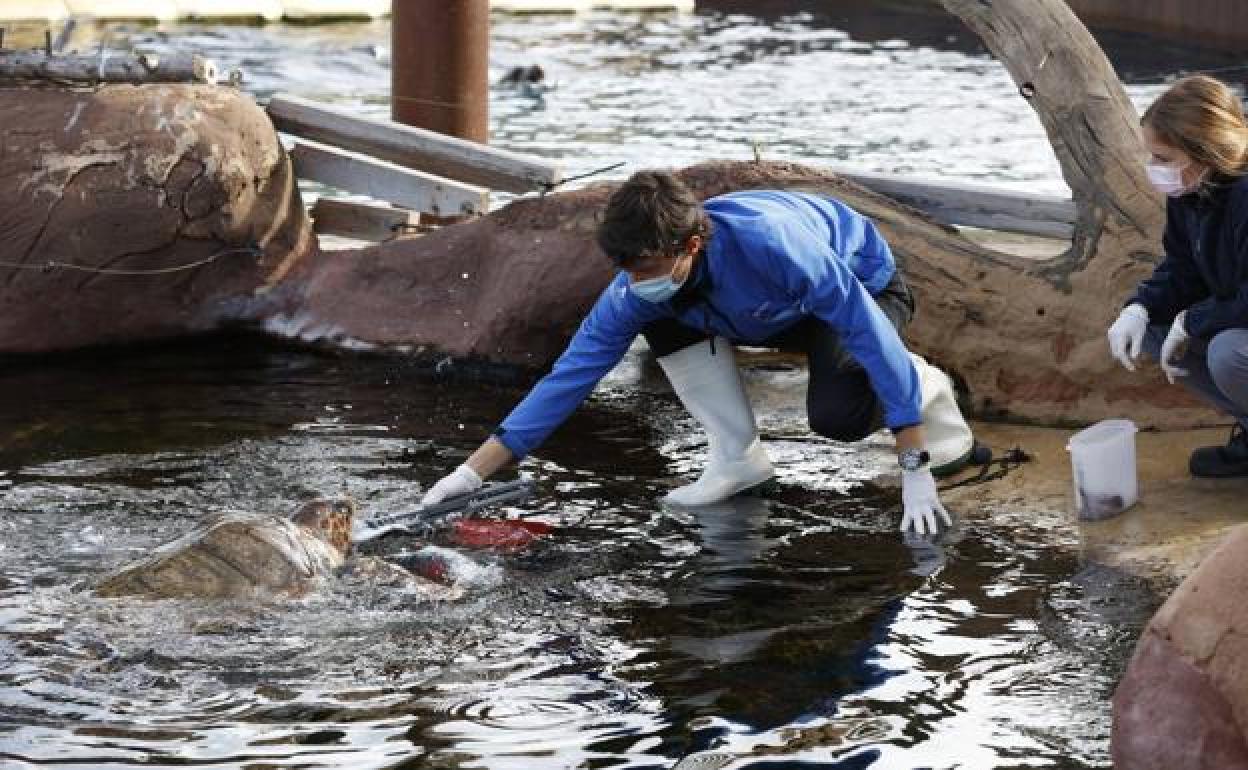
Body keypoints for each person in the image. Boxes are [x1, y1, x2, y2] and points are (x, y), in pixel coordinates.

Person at [422, 170, 976, 535]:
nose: (633, 283)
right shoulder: (635, 288)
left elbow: (865, 331)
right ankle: (737, 459)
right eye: (625, 271)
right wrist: (470, 475)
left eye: (644, 270)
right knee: (661, 320)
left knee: (838, 418)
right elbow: (569, 378)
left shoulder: (774, 245)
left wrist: (913, 465)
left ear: (690, 245)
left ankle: (924, 388)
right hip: (758, 310)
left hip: (863, 289)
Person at [1107, 75, 1248, 477]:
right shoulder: (1192, 191)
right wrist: (1138, 307)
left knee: (1229, 354)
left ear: (1205, 154)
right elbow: (1183, 266)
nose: (1154, 170)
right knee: (1151, 330)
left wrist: (1193, 320)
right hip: (1235, 317)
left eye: (1164, 159)